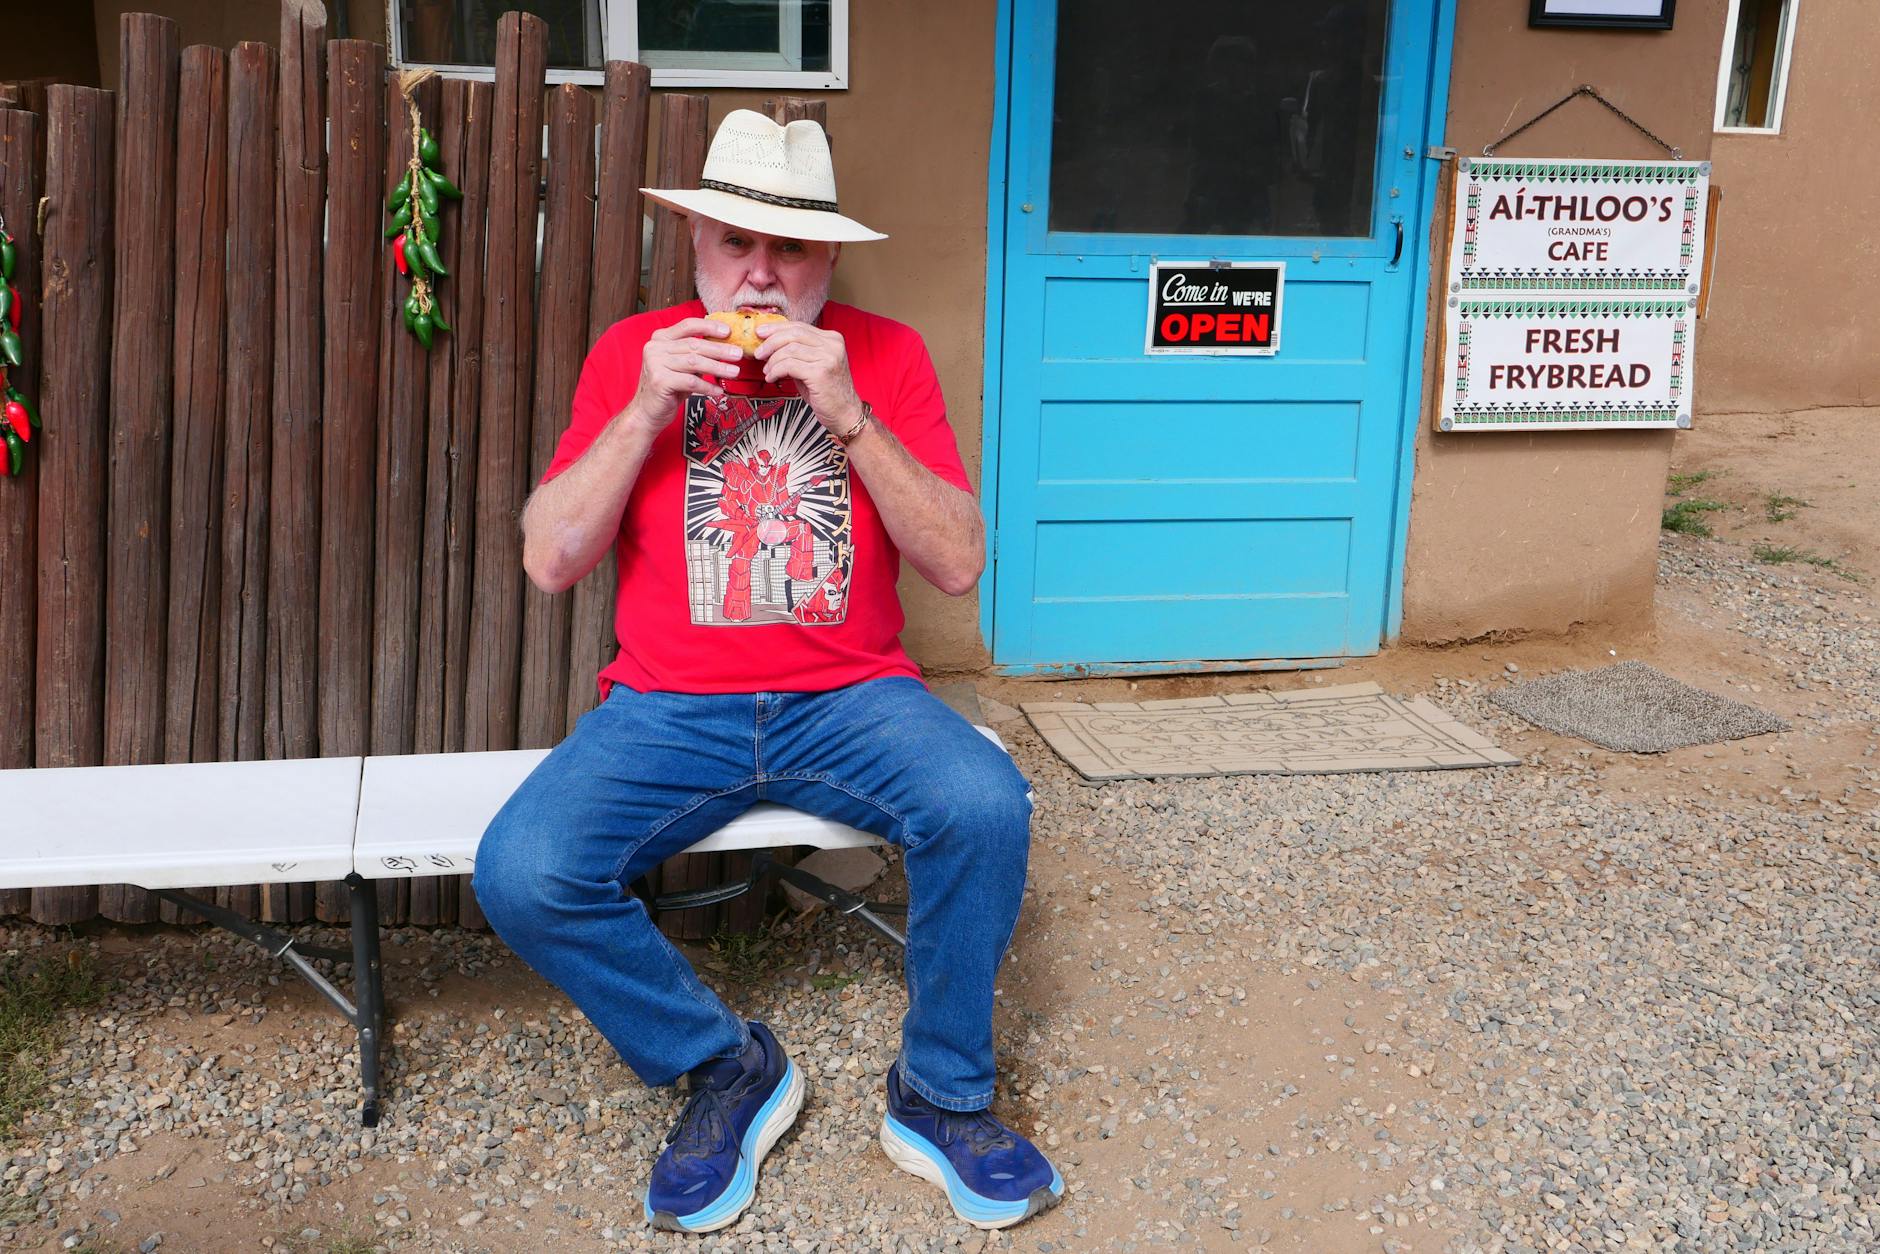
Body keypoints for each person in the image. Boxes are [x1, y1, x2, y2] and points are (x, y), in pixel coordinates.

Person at [471, 109, 1061, 1234]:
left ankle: (939, 1097)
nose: (759, 272)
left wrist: (848, 416)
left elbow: (955, 563)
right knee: (524, 868)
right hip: (667, 707)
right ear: (693, 243)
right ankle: (725, 1065)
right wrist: (647, 407)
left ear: (825, 259)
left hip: (850, 699)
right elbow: (550, 559)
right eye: (736, 242)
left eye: (789, 247)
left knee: (984, 803)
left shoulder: (880, 354)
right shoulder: (629, 355)